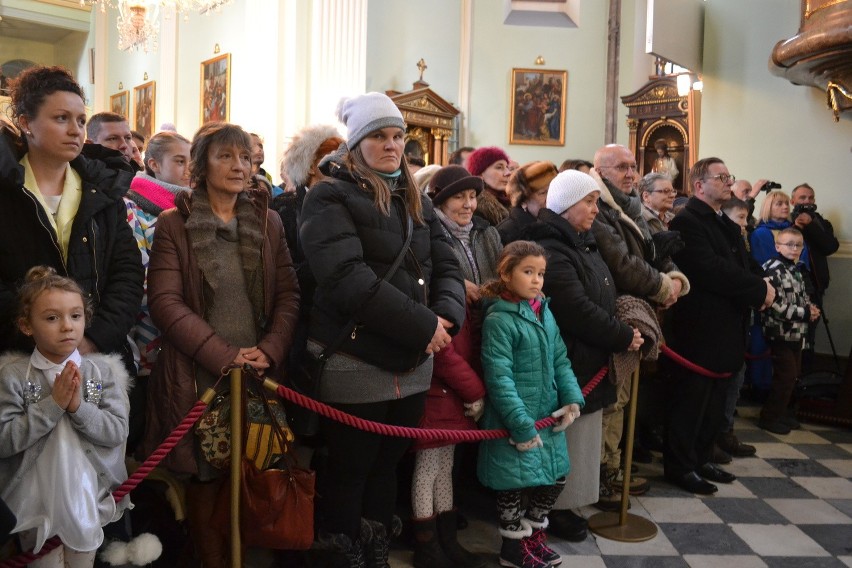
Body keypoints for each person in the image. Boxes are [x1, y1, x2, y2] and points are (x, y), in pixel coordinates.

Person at [299, 92, 465, 567]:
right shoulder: (329, 194)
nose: (391, 146)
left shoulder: (413, 196)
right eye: (379, 137)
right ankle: (342, 553)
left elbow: (447, 264)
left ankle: (375, 553)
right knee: (351, 468)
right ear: (357, 143)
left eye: (397, 136)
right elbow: (346, 277)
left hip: (411, 359)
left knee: (388, 463)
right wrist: (423, 325)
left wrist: (446, 316)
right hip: (356, 356)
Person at [144, 122, 300, 568]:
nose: (239, 166)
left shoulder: (268, 222)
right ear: (200, 165)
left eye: (246, 158)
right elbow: (165, 302)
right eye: (225, 156)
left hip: (257, 375)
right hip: (199, 378)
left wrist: (269, 349)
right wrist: (221, 354)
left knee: (251, 480)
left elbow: (289, 294)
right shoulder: (176, 224)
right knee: (206, 487)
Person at [0, 66, 143, 367]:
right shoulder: (7, 191)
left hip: (96, 356)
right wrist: (46, 337)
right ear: (26, 123)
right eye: (61, 118)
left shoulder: (102, 190)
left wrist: (93, 339)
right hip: (19, 358)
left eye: (80, 120)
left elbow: (126, 274)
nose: (75, 130)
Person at [528, 170, 641, 542]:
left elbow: (600, 290)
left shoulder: (580, 241)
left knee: (582, 437)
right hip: (570, 359)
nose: (595, 209)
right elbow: (574, 308)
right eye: (589, 202)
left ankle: (570, 502)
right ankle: (555, 508)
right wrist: (622, 335)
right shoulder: (553, 247)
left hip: (589, 356)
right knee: (566, 438)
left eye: (596, 201)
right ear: (566, 204)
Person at [0, 266, 131, 567]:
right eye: (51, 318)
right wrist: (53, 405)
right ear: (26, 325)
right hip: (32, 499)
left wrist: (77, 408)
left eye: (75, 316)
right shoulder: (12, 376)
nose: (67, 327)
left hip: (87, 496)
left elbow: (116, 431)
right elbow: (4, 440)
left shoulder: (102, 372)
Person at [665, 157, 774, 495]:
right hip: (700, 331)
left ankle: (700, 457)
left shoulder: (721, 221)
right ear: (699, 186)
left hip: (724, 328)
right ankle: (680, 467)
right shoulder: (687, 222)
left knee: (713, 404)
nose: (729, 182)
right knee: (691, 403)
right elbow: (708, 269)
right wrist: (758, 289)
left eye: (730, 177)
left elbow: (741, 262)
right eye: (721, 177)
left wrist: (763, 283)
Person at [411, 165, 500, 568]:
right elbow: (442, 348)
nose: (468, 204)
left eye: (472, 197)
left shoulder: (482, 236)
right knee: (427, 468)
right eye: (458, 197)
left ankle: (447, 541)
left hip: (458, 383)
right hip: (440, 387)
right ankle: (427, 545)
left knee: (444, 466)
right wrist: (475, 391)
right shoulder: (439, 280)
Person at [591, 144, 689, 506]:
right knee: (612, 403)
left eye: (633, 167)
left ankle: (614, 467)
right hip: (615, 314)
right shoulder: (599, 207)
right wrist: (664, 286)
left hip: (635, 312)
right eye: (621, 167)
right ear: (601, 172)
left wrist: (674, 279)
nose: (630, 174)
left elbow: (648, 255)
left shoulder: (627, 207)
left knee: (623, 401)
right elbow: (622, 263)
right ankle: (604, 476)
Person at [477, 240, 585, 568]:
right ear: (506, 275)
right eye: (528, 272)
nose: (537, 280)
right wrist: (521, 424)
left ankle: (534, 536)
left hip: (547, 414)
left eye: (541, 273)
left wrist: (571, 399)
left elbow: (560, 359)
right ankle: (512, 547)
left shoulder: (543, 311)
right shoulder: (499, 319)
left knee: (554, 477)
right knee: (512, 482)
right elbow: (499, 378)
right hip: (515, 419)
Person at [123, 131, 191, 449]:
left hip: (185, 345)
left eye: (193, 161)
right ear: (153, 164)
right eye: (180, 161)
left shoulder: (193, 209)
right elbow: (137, 277)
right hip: (146, 343)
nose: (189, 168)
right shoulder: (132, 210)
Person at [759, 227, 820, 434]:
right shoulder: (773, 270)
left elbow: (800, 296)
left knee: (794, 375)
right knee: (785, 376)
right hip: (780, 331)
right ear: (777, 246)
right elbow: (774, 305)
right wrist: (804, 313)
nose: (794, 249)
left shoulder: (796, 268)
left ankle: (783, 413)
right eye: (789, 244)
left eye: (798, 245)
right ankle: (769, 417)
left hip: (797, 332)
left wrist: (810, 308)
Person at [790, 183, 839, 369]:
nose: (807, 201)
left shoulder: (821, 223)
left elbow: (830, 247)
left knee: (810, 333)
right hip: (790, 287)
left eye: (810, 198)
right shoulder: (784, 218)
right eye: (802, 198)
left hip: (815, 286)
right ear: (792, 200)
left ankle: (806, 372)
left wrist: (810, 225)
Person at [497, 160, 558, 245]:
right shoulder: (507, 232)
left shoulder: (557, 223)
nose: (550, 197)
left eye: (553, 191)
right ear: (523, 200)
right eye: (543, 193)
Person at [750, 190, 809, 267]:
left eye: (787, 203)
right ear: (768, 208)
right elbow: (769, 263)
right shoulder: (760, 233)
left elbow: (803, 256)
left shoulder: (794, 230)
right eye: (779, 204)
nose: (785, 207)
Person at [466, 146, 512, 227]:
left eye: (507, 167)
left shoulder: (513, 201)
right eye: (499, 167)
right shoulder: (474, 207)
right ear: (480, 174)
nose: (508, 173)